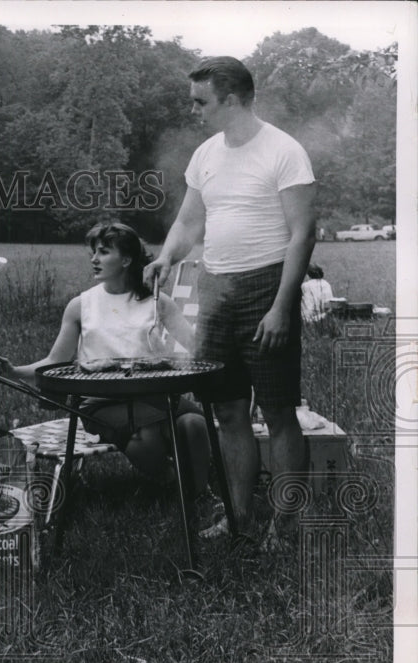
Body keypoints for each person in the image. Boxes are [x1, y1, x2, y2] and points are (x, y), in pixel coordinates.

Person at [144, 56, 316, 545]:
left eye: (201, 101)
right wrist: (166, 258)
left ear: (232, 100)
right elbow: (188, 221)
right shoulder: (205, 155)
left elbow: (303, 234)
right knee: (228, 412)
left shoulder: (284, 151)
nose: (193, 110)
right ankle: (238, 517)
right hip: (215, 287)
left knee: (280, 412)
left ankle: (284, 527)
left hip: (267, 287)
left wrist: (282, 305)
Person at [0, 222, 219, 510]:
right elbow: (55, 363)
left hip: (153, 393)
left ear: (126, 259)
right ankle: (171, 480)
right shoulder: (81, 305)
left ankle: (199, 496)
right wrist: (13, 372)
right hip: (101, 402)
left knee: (194, 424)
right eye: (93, 253)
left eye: (103, 252)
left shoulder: (158, 302)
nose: (94, 259)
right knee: (144, 437)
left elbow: (198, 350)